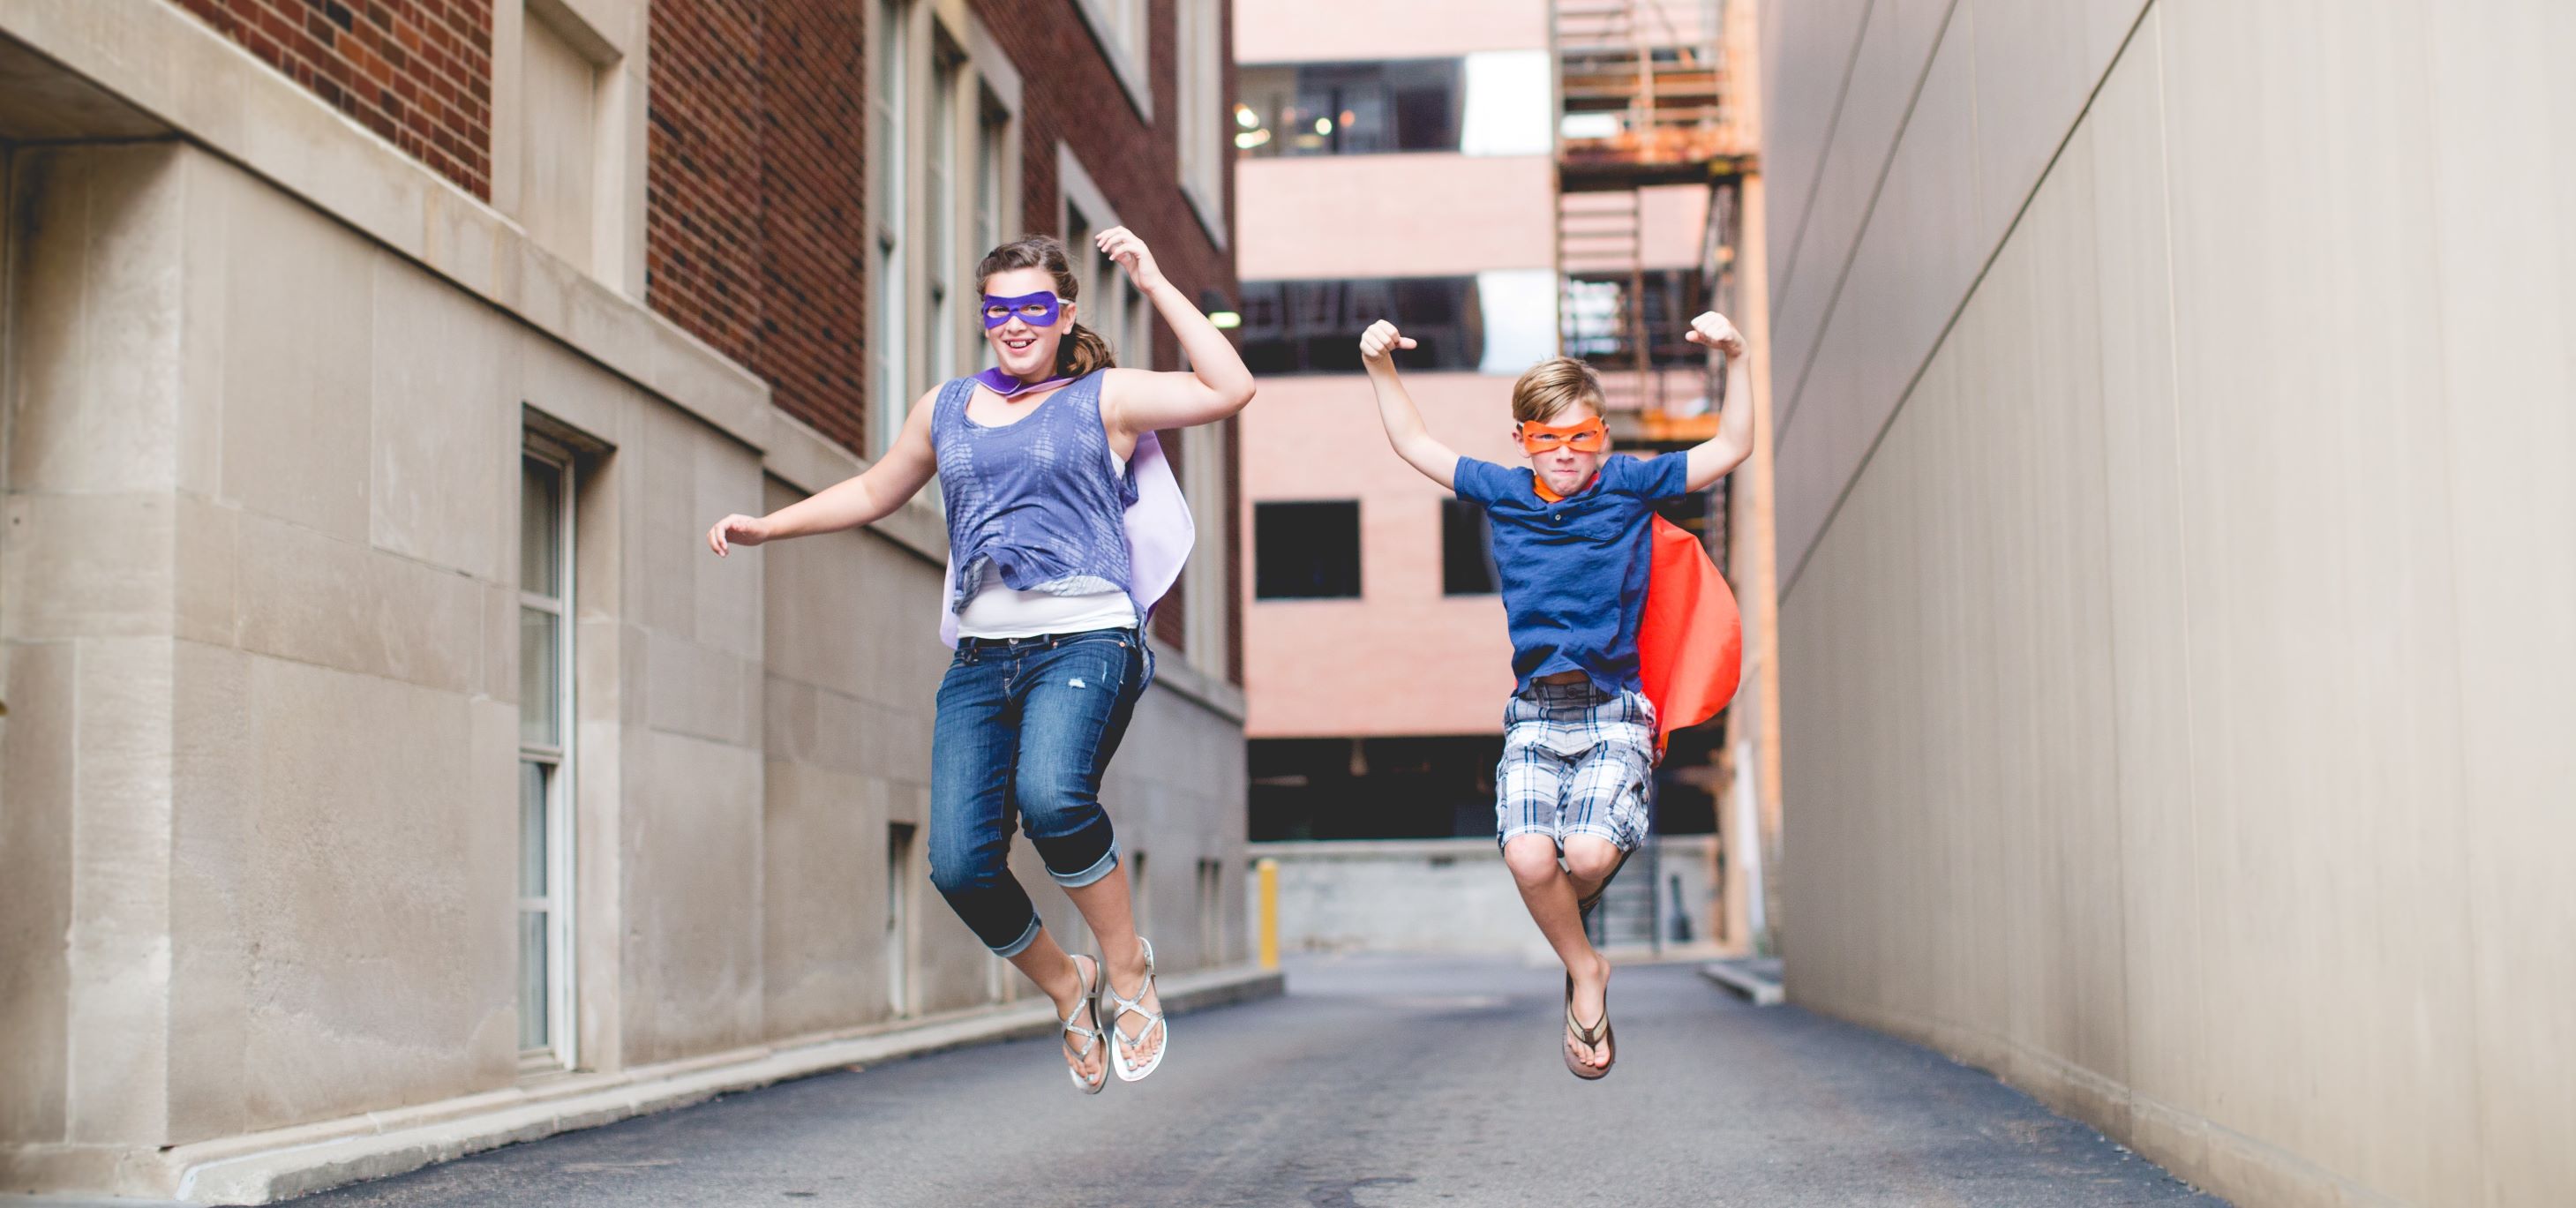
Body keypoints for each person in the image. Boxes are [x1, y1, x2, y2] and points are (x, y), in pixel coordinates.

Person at [707, 229, 1255, 1093]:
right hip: (982, 656)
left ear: (1065, 312)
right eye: (998, 309)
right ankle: (1066, 984)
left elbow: (1231, 387)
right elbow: (874, 489)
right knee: (959, 863)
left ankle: (1128, 969)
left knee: (1053, 796)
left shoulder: (1104, 396)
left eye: (1034, 306)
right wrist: (770, 524)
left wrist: (1152, 277)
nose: (1015, 323)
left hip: (1087, 635)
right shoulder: (945, 407)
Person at [1356, 311, 1751, 1078]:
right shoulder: (1504, 492)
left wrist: (1736, 355)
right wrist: (1380, 367)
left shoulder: (1630, 482)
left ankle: (1579, 944)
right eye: (1548, 439)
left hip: (1614, 710)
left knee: (1587, 851)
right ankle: (1588, 969)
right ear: (1521, 439)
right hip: (1535, 711)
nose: (1567, 454)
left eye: (1582, 437)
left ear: (1601, 433)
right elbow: (1413, 444)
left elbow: (1730, 447)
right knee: (1532, 858)